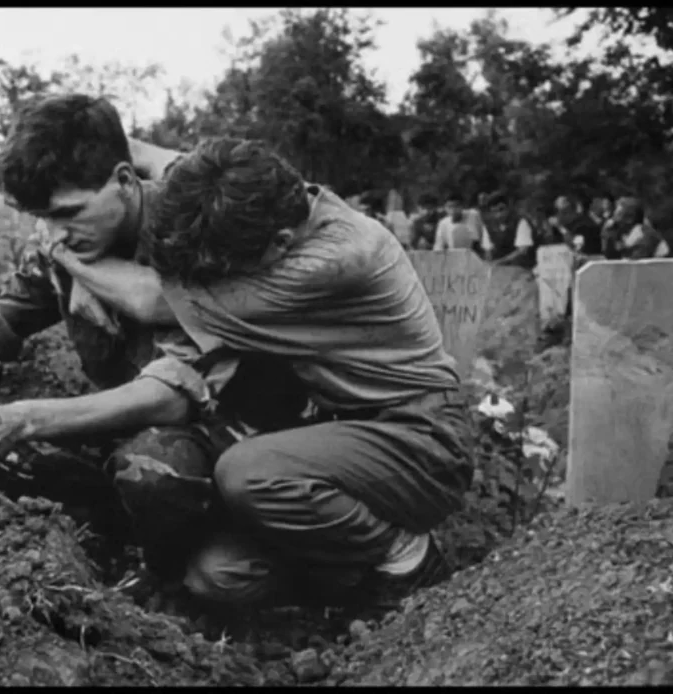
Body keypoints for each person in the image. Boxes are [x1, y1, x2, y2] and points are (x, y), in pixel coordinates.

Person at [50, 138, 474, 607]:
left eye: (226, 270)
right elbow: (151, 154)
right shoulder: (263, 201)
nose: (216, 277)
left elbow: (148, 300)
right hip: (341, 432)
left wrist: (64, 255)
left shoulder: (326, 264)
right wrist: (75, 168)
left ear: (280, 245)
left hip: (419, 441)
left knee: (249, 473)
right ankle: (339, 576)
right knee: (219, 576)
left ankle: (406, 557)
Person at [0, 94, 308, 586]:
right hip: (131, 429)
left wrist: (21, 417)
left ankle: (171, 582)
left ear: (123, 180)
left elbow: (171, 399)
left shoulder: (197, 227)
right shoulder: (62, 242)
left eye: (69, 212)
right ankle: (115, 547)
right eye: (43, 218)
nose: (56, 234)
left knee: (154, 468)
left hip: (239, 438)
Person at [603, 196, 670, 260]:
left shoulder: (646, 234)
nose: (613, 219)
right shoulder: (620, 234)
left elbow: (635, 263)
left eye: (618, 214)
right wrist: (609, 236)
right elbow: (611, 260)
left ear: (630, 219)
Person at [481, 192, 536, 268]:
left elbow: (522, 251)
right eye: (494, 211)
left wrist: (499, 262)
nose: (499, 214)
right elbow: (488, 251)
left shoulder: (520, 222)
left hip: (522, 269)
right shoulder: (488, 226)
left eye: (501, 210)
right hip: (499, 271)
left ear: (508, 208)